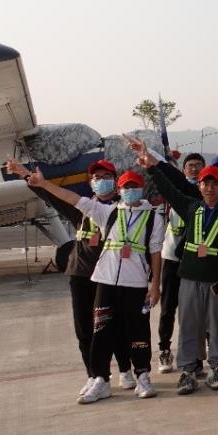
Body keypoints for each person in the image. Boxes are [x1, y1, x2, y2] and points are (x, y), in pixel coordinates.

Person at [26, 165, 163, 404]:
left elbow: (156, 253)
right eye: (126, 187)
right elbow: (72, 199)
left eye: (134, 187)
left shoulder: (153, 217)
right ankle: (101, 379)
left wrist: (155, 285)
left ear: (141, 189)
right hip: (105, 280)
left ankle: (142, 375)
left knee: (138, 330)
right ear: (119, 189)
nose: (130, 191)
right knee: (101, 330)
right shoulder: (106, 212)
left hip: (136, 282)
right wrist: (44, 184)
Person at [11, 157, 137, 396]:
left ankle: (125, 368)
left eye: (107, 177)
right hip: (80, 273)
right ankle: (94, 375)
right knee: (84, 328)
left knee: (115, 325)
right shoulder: (80, 207)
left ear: (115, 180)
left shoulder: (123, 210)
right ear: (90, 182)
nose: (101, 181)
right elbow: (52, 195)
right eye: (97, 178)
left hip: (110, 275)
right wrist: (25, 173)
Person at [134, 136, 218, 395]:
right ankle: (189, 370)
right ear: (200, 186)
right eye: (205, 183)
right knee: (189, 323)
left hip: (216, 279)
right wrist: (151, 167)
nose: (209, 187)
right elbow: (170, 191)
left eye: (214, 183)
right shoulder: (192, 207)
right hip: (190, 276)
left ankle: (217, 366)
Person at [156, 152, 205, 374]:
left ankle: (198, 355)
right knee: (168, 307)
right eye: (190, 165)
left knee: (197, 309)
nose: (194, 169)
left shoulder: (206, 194)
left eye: (198, 165)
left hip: (195, 258)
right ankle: (164, 349)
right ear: (183, 169)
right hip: (172, 256)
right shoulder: (172, 193)